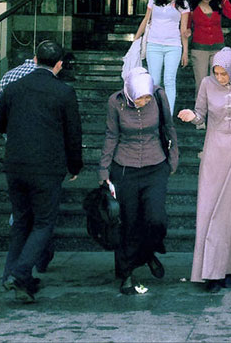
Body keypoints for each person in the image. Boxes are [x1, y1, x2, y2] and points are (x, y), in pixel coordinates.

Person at [0, 40, 82, 303]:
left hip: (15, 165)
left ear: (34, 59)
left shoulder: (13, 88)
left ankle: (12, 275)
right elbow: (73, 134)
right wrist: (74, 165)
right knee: (43, 222)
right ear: (59, 64)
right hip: (47, 167)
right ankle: (19, 274)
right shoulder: (64, 92)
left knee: (21, 221)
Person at [177, 47, 231, 293]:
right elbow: (200, 114)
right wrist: (191, 116)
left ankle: (228, 269)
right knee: (210, 210)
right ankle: (210, 272)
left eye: (223, 73)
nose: (219, 77)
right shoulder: (207, 84)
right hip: (214, 153)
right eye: (216, 73)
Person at [99, 67, 179, 295]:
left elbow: (168, 127)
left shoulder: (159, 96)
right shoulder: (115, 102)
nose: (144, 102)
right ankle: (126, 274)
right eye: (140, 98)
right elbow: (112, 135)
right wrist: (103, 169)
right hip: (125, 167)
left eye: (147, 98)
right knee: (129, 222)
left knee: (156, 219)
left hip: (155, 166)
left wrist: (173, 159)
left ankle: (147, 253)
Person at [134, 0, 190, 113]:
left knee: (169, 80)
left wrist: (185, 52)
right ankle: (153, 113)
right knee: (154, 80)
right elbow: (146, 19)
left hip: (173, 46)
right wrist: (136, 39)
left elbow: (183, 30)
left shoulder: (183, 4)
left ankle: (168, 115)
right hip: (154, 44)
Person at [189, 0, 231, 85]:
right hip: (199, 49)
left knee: (217, 81)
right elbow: (187, 26)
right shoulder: (193, 7)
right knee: (201, 82)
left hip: (217, 49)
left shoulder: (218, 6)